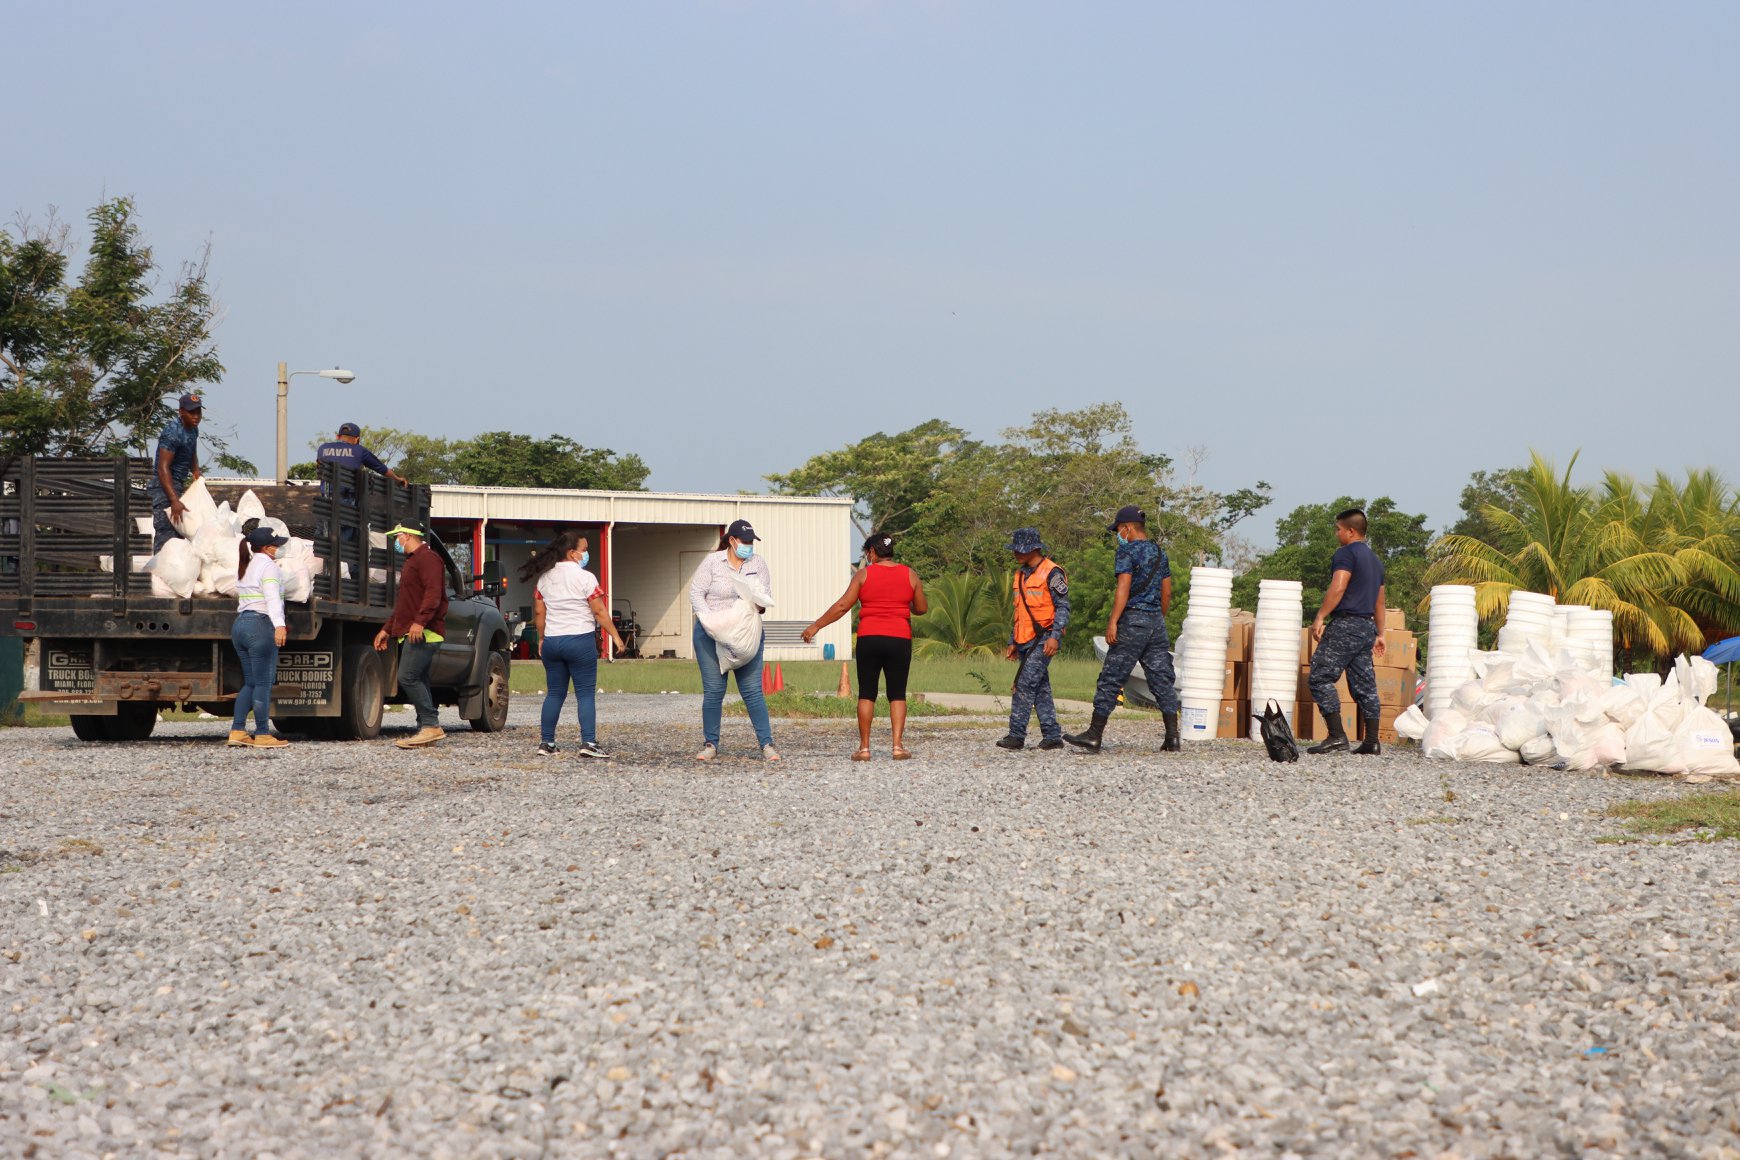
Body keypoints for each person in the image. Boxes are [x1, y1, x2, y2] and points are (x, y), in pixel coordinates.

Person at [1065, 505, 1182, 753]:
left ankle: (1094, 735)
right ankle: (1172, 738)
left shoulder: (1127, 551)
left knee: (1112, 676)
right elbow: (1167, 593)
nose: (1118, 535)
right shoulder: (1160, 553)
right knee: (1161, 678)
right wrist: (1156, 619)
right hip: (1156, 624)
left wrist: (1113, 621)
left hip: (1132, 622)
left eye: (1118, 530)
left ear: (1128, 528)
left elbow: (1123, 588)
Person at [803, 532, 928, 761]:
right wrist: (904, 604)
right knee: (897, 693)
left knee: (867, 693)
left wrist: (816, 626)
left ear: (872, 552)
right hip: (899, 639)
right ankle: (897, 747)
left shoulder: (863, 575)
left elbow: (843, 606)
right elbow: (921, 608)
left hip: (869, 639)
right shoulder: (910, 574)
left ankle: (864, 749)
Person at [521, 529, 627, 758]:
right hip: (580, 640)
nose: (586, 554)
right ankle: (588, 742)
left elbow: (539, 613)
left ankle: (547, 743)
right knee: (585, 694)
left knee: (554, 693)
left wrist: (542, 638)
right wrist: (616, 637)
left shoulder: (544, 579)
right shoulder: (586, 578)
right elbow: (599, 611)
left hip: (553, 641)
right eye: (584, 549)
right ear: (571, 553)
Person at [688, 518, 778, 762]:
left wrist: (758, 601)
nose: (749, 546)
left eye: (751, 542)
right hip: (711, 633)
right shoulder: (712, 562)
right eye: (745, 541)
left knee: (752, 690)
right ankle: (710, 744)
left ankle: (767, 744)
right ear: (732, 540)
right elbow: (696, 593)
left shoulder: (757, 563)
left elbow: (765, 598)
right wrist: (710, 621)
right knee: (714, 690)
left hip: (745, 634)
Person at [1306, 507, 1388, 756]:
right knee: (1365, 685)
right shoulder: (1375, 561)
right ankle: (1371, 741)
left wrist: (1320, 616)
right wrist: (1380, 634)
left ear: (1351, 531)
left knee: (1320, 677)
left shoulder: (1346, 553)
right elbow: (1380, 602)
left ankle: (1336, 736)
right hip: (1366, 628)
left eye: (1338, 529)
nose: (1336, 534)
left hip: (1346, 625)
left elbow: (1338, 587)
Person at [373, 522, 448, 749]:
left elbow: (433, 593)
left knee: (407, 676)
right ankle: (425, 729)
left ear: (407, 535)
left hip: (425, 632)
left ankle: (431, 725)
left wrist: (420, 621)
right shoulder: (412, 561)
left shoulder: (428, 559)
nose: (396, 541)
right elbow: (405, 604)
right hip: (414, 630)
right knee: (419, 678)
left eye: (397, 536)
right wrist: (387, 629)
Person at [996, 528, 1070, 751]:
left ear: (1034, 549)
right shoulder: (1020, 574)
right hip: (1024, 639)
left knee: (1024, 684)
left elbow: (1063, 607)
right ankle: (1052, 735)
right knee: (1040, 686)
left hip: (1044, 638)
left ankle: (1016, 735)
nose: (1016, 553)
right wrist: (1013, 640)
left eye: (1020, 549)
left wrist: (1055, 636)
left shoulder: (1052, 573)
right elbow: (1019, 610)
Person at [228, 526, 291, 749]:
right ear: (266, 548)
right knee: (263, 683)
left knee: (251, 682)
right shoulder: (269, 567)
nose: (278, 548)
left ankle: (238, 731)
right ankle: (263, 733)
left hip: (240, 626)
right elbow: (272, 598)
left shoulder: (247, 565)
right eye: (275, 545)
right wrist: (280, 625)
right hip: (260, 626)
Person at [149, 393, 203, 552]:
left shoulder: (193, 430)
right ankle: (160, 565)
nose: (196, 416)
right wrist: (174, 500)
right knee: (166, 532)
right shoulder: (172, 432)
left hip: (177, 484)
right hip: (163, 486)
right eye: (191, 412)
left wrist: (195, 471)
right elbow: (162, 468)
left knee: (179, 533)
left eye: (198, 412)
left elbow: (192, 451)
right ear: (181, 412)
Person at [316, 423, 409, 489]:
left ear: (337, 436)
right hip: (347, 497)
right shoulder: (359, 450)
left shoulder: (322, 448)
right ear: (357, 439)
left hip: (326, 495)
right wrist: (398, 479)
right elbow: (382, 469)